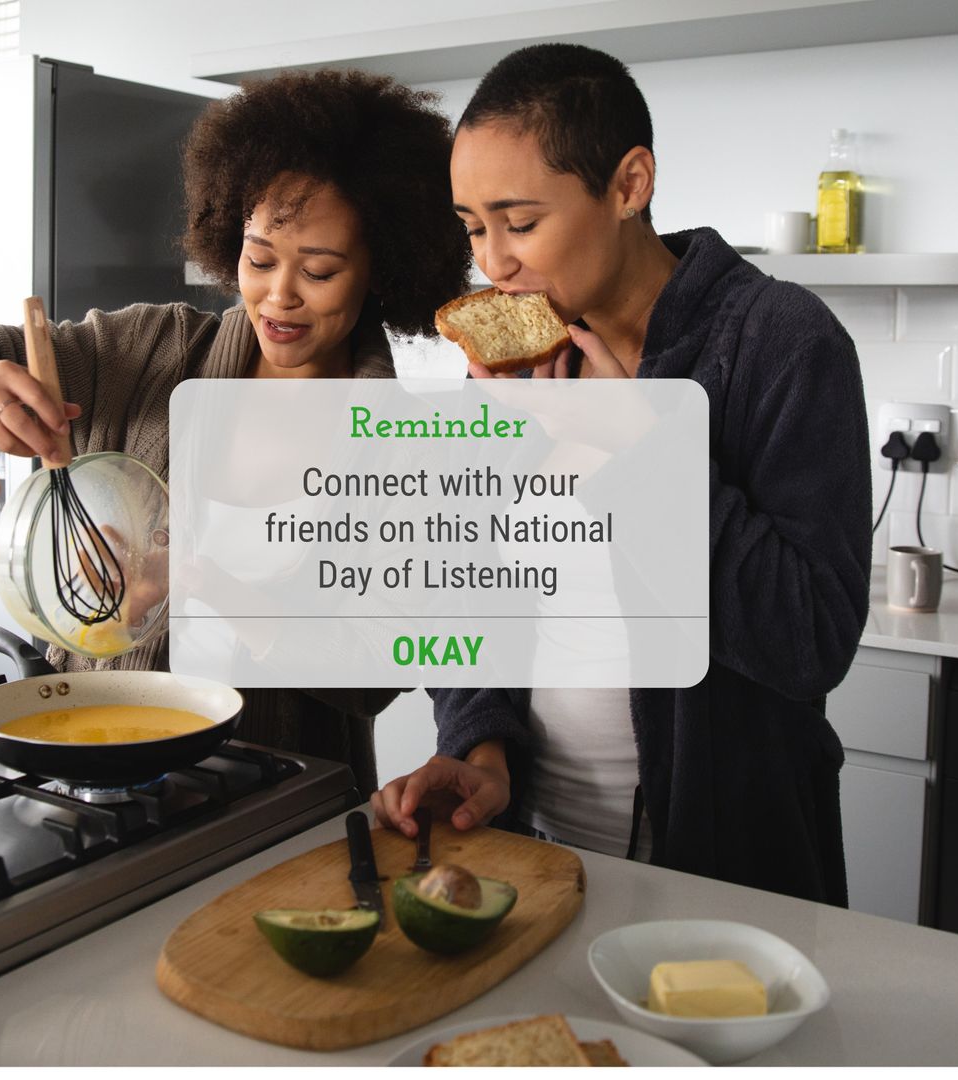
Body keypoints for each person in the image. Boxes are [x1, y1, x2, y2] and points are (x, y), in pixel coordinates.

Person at [371, 43, 872, 904]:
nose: (494, 263)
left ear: (629, 184)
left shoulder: (783, 343)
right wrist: (480, 745)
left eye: (520, 223)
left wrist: (635, 456)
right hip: (530, 851)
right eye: (472, 226)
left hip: (730, 871)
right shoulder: (519, 357)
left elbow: (810, 641)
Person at [0, 69, 471, 796]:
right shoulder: (153, 349)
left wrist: (200, 579)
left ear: (380, 270)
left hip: (278, 802)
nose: (278, 295)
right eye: (259, 257)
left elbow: (375, 675)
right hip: (92, 774)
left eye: (321, 270)